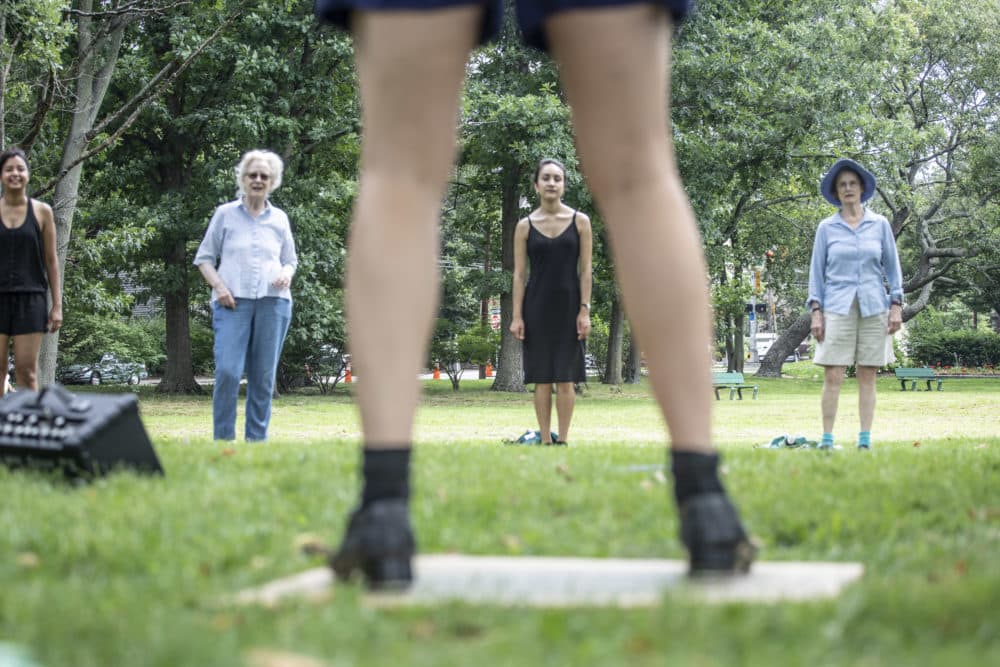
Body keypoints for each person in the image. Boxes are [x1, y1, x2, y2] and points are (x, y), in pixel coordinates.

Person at [314, 0, 755, 588]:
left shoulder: (570, 222)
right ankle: (707, 506)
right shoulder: (528, 225)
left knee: (399, 174)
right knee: (639, 171)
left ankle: (383, 511)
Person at [194, 150, 298, 441]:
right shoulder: (225, 214)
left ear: (272, 181)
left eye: (264, 176)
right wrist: (220, 286)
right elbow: (204, 258)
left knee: (263, 378)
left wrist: (286, 274)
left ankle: (256, 442)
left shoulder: (279, 219)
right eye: (252, 174)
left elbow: (291, 260)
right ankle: (223, 441)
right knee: (227, 371)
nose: (258, 179)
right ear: (243, 178)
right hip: (231, 304)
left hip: (274, 302)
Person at [808, 158, 904, 451]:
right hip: (836, 307)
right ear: (836, 192)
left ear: (862, 189)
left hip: (874, 306)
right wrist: (816, 312)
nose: (848, 188)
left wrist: (896, 304)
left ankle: (864, 440)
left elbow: (892, 268)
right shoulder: (827, 228)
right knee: (833, 373)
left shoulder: (880, 225)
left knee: (868, 373)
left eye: (853, 183)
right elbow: (816, 273)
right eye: (842, 185)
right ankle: (827, 439)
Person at [510, 158, 592, 445]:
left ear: (564, 185)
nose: (552, 183)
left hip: (570, 309)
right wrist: (517, 316)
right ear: (536, 185)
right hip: (536, 309)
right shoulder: (524, 226)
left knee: (566, 378)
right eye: (546, 178)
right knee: (542, 378)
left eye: (557, 178)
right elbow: (519, 275)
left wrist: (585, 310)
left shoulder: (581, 222)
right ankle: (545, 440)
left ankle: (563, 440)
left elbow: (586, 271)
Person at [0, 147, 62, 396]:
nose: (15, 173)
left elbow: (51, 260)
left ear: (28, 174)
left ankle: (32, 429)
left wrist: (57, 305)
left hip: (31, 298)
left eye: (20, 168)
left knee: (27, 371)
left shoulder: (42, 211)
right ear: (1, 175)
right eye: (8, 169)